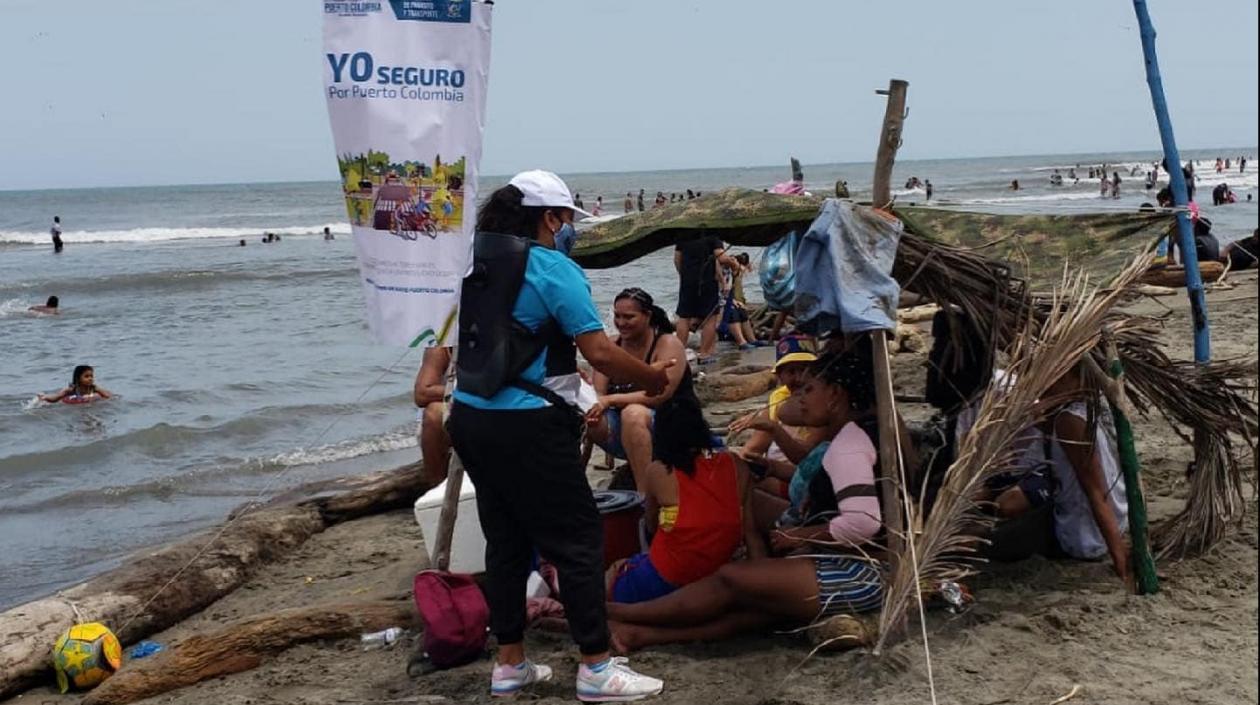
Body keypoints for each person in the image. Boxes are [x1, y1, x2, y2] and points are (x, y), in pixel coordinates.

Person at [447, 170, 668, 701]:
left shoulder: (468, 261)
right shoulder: (552, 268)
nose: (570, 230)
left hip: (470, 417)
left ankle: (509, 664)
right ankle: (596, 667)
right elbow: (598, 351)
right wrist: (652, 378)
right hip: (529, 423)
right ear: (549, 218)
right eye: (567, 219)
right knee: (579, 540)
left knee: (506, 540)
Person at [606, 347, 885, 650]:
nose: (799, 398)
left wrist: (798, 535)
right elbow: (787, 412)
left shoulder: (847, 447)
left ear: (835, 395)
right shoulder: (861, 431)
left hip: (857, 575)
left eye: (809, 389)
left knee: (731, 578)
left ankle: (622, 613)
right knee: (756, 610)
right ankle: (642, 634)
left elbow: (862, 523)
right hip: (863, 567)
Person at [965, 367, 1131, 584]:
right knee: (1003, 508)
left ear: (1078, 380)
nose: (1046, 382)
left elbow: (1095, 492)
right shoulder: (1096, 402)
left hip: (1082, 536)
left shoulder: (1070, 421)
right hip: (1115, 518)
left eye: (1057, 377)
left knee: (982, 540)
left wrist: (1119, 557)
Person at [606, 395, 755, 604]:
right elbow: (750, 531)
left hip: (669, 575)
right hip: (716, 571)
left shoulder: (658, 471)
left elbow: (650, 524)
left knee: (613, 572)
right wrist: (759, 577)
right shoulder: (735, 465)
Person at [586, 288, 694, 493]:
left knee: (633, 413)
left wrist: (610, 400)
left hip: (670, 423)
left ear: (647, 316)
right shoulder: (611, 345)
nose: (621, 323)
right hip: (622, 432)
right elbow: (598, 393)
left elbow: (660, 395)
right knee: (589, 415)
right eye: (617, 316)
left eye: (629, 317)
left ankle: (644, 494)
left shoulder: (667, 343)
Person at [674, 235, 733, 364]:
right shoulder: (713, 235)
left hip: (687, 281)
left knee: (684, 316)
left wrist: (684, 275)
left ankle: (677, 354)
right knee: (710, 317)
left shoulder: (684, 234)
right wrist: (734, 263)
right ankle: (704, 354)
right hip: (707, 282)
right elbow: (720, 257)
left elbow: (677, 259)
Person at [413, 346, 453, 485]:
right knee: (434, 413)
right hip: (451, 415)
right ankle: (437, 484)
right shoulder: (441, 348)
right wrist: (467, 389)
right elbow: (422, 393)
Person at [39, 365, 111, 404]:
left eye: (91, 376)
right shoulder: (72, 390)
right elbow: (56, 398)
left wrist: (99, 391)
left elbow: (108, 396)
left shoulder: (94, 388)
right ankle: (43, 396)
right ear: (78, 378)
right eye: (86, 376)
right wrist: (45, 398)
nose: (90, 378)